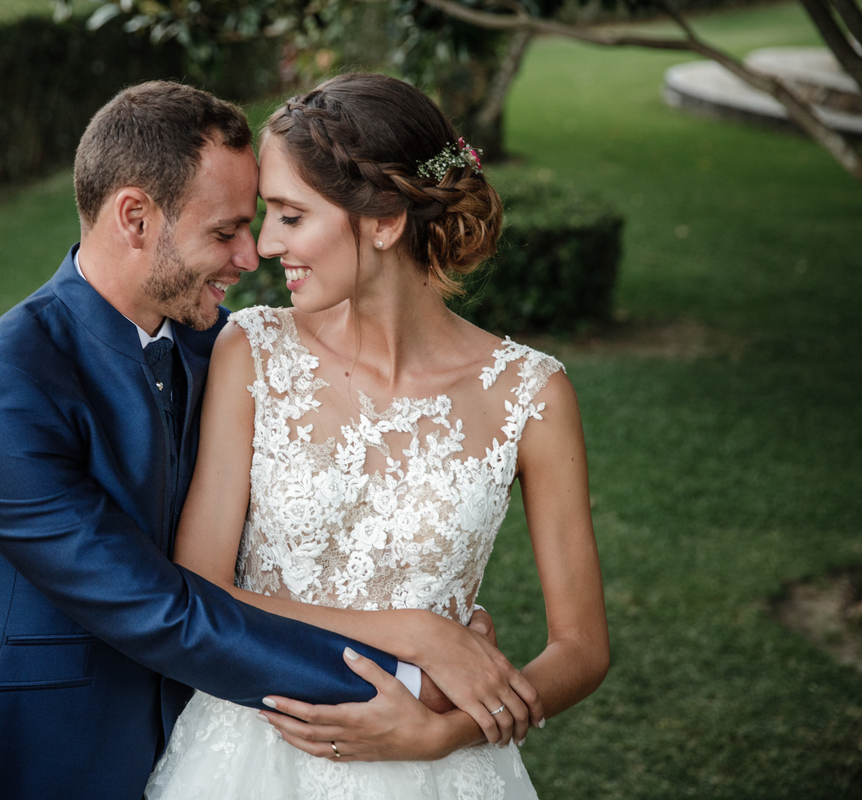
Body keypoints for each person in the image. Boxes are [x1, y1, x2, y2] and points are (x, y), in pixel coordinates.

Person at [0, 80, 541, 800]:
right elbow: (165, 610)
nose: (251, 257)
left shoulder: (221, 350)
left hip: (187, 757)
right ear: (134, 218)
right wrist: (417, 668)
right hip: (18, 760)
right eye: (225, 232)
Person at [145, 73, 610, 799]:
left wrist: (444, 735)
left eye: (292, 217)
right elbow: (200, 589)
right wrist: (416, 634)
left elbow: (581, 648)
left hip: (445, 771)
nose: (265, 245)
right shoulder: (254, 352)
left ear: (385, 220)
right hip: (250, 757)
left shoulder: (531, 395)